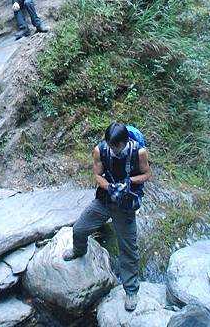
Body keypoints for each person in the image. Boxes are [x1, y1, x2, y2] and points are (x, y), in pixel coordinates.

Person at [63, 121, 151, 313]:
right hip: (104, 200)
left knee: (128, 249)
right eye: (110, 145)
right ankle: (79, 250)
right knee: (79, 229)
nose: (113, 149)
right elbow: (97, 175)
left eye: (116, 146)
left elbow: (146, 174)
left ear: (125, 142)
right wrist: (110, 187)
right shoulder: (100, 151)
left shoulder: (139, 153)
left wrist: (127, 183)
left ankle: (131, 291)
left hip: (125, 204)